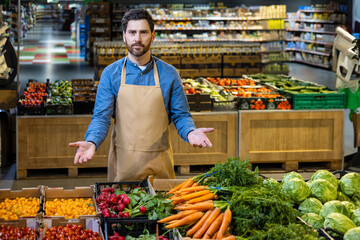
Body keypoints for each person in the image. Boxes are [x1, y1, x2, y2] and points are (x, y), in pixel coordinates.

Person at [69, 9, 214, 182]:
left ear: (152, 36)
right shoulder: (111, 74)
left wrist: (190, 132)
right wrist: (92, 141)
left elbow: (181, 115)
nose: (137, 39)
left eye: (143, 32)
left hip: (159, 163)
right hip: (124, 164)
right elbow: (101, 117)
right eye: (132, 32)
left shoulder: (169, 74)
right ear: (124, 36)